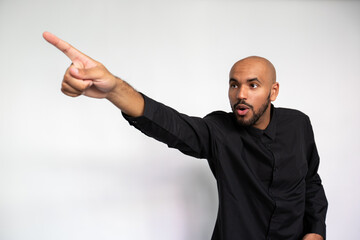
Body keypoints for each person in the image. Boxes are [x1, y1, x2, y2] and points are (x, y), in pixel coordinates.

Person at [43, 31, 328, 240]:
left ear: (273, 91)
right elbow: (171, 124)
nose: (240, 95)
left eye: (253, 85)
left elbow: (311, 182)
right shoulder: (219, 131)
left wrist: (315, 231)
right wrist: (115, 89)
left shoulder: (299, 125)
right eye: (234, 85)